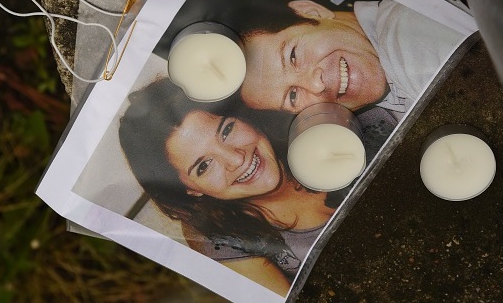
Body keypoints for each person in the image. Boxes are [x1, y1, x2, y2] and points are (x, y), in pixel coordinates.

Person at [118, 78, 341, 296]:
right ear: (191, 190)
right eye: (204, 166)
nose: (236, 159)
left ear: (241, 116)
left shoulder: (318, 122)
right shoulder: (218, 237)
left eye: (226, 131)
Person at [236, 0, 464, 120]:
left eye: (293, 55)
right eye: (292, 96)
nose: (316, 85)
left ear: (312, 12)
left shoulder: (411, 35)